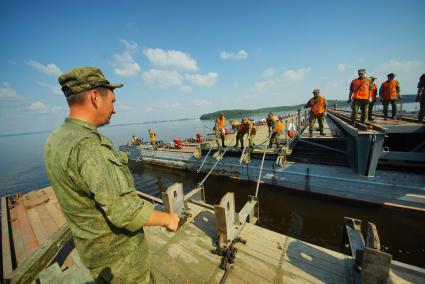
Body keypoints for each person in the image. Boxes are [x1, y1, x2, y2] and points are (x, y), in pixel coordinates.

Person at [44, 67, 179, 283]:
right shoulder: (90, 148)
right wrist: (168, 219)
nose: (114, 109)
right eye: (113, 101)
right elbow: (124, 212)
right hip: (121, 264)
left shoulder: (57, 138)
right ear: (95, 97)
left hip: (93, 254)